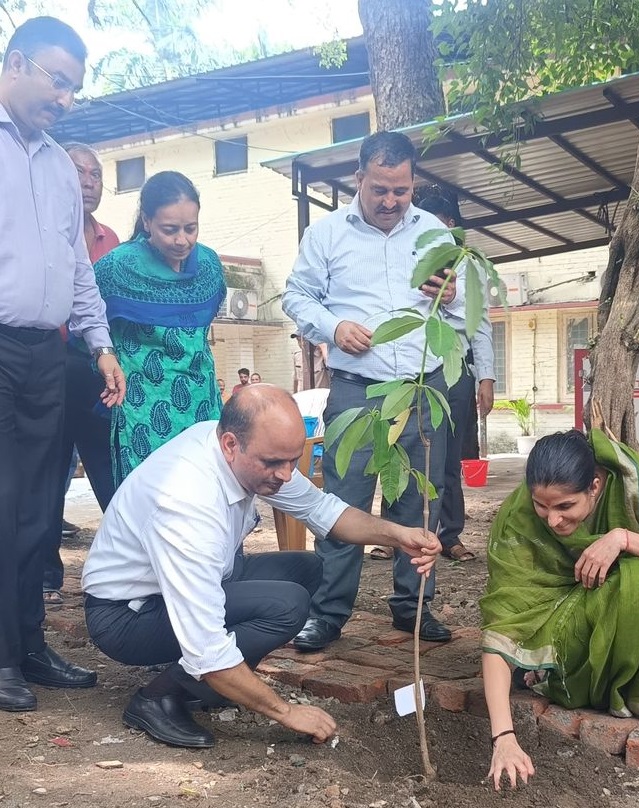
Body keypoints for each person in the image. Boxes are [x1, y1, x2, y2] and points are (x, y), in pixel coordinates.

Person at [81, 385, 440, 748]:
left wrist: (397, 535)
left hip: (185, 583)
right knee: (286, 607)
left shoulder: (247, 449)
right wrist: (286, 712)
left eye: (292, 460)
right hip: (125, 616)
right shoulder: (186, 502)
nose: (286, 475)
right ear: (230, 445)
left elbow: (323, 511)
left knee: (307, 569)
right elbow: (206, 646)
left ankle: (216, 683)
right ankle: (158, 699)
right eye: (273, 463)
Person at [283, 131, 465, 651]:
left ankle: (414, 608)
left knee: (418, 500)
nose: (390, 201)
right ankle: (329, 611)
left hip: (420, 389)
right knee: (344, 502)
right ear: (359, 179)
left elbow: (459, 313)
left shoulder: (434, 233)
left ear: (414, 184)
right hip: (356, 392)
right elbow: (296, 296)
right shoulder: (326, 235)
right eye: (379, 189)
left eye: (401, 190)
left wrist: (450, 295)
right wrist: (333, 326)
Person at [0, 16, 125, 713]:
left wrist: (99, 343)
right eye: (58, 82)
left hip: (47, 354)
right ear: (16, 62)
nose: (67, 99)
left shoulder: (54, 161)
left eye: (75, 89)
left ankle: (27, 645)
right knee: (1, 503)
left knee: (38, 514)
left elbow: (79, 267)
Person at [481, 430, 639, 790]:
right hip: (555, 618)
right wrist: (504, 738)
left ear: (595, 485)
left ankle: (626, 684)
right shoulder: (519, 518)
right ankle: (556, 673)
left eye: (564, 507)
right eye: (542, 505)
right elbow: (504, 625)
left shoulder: (629, 483)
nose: (552, 521)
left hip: (606, 598)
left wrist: (623, 539)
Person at [94, 170, 226, 484]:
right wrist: (105, 359)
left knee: (206, 490)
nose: (182, 240)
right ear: (147, 221)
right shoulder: (116, 268)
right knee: (151, 497)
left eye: (190, 228)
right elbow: (85, 321)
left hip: (201, 401)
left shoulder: (208, 264)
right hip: (143, 407)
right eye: (170, 230)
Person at [43, 142, 121, 608]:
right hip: (48, 364)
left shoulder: (112, 241)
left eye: (95, 174)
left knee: (109, 470)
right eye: (79, 172)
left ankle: (123, 566)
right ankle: (45, 576)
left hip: (99, 370)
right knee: (47, 476)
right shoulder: (43, 231)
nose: (88, 181)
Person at [418, 184, 495, 562]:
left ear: (451, 224)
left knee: (447, 458)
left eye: (438, 224)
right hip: (411, 370)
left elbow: (480, 323)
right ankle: (397, 535)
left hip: (454, 371)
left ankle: (449, 536)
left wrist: (486, 378)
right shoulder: (408, 253)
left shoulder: (469, 263)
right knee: (407, 452)